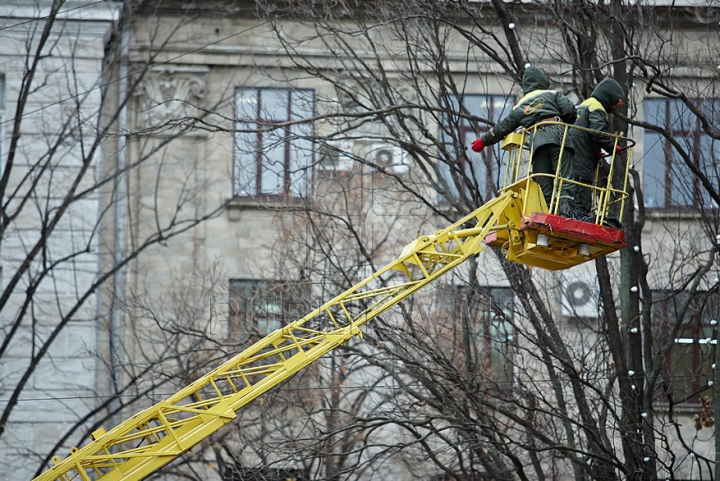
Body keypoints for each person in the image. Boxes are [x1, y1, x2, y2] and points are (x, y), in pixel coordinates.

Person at [471, 65, 576, 213]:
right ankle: (566, 213)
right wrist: (567, 125)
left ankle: (547, 215)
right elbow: (570, 111)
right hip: (557, 134)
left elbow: (502, 128)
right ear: (542, 80)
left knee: (543, 182)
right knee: (565, 177)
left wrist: (483, 141)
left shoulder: (520, 107)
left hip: (537, 143)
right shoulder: (553, 94)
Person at [568, 78, 625, 220]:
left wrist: (596, 150)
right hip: (582, 167)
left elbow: (584, 135)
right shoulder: (597, 107)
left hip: (570, 161)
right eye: (614, 102)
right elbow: (597, 132)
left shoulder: (583, 106)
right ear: (608, 96)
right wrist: (613, 147)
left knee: (569, 200)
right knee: (582, 206)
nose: (614, 106)